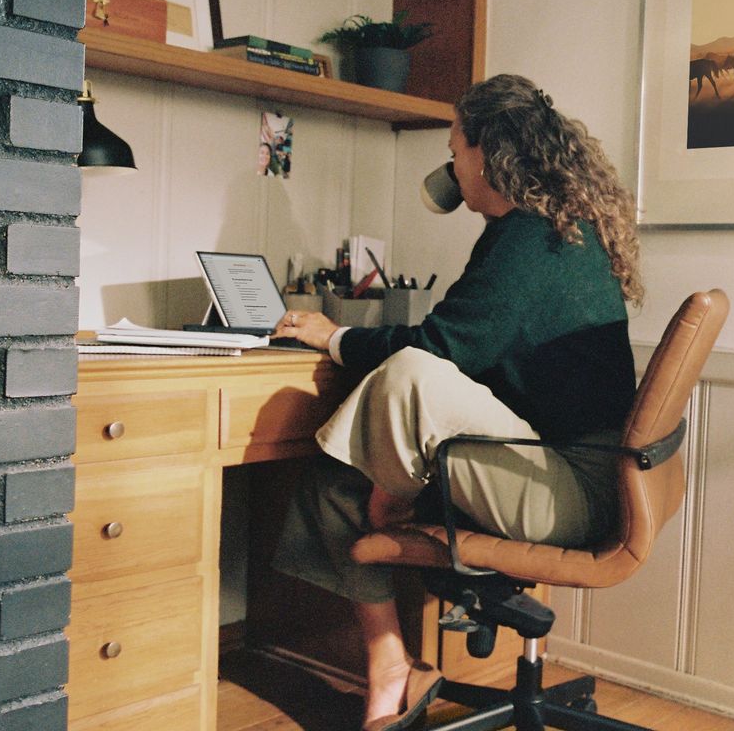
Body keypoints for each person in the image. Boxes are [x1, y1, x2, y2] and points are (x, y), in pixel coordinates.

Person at [270, 73, 643, 731]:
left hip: (569, 491)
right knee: (331, 482)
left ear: (485, 153)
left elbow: (439, 348)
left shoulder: (530, 239)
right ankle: (391, 664)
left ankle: (389, 523)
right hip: (583, 475)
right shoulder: (555, 229)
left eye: (454, 148)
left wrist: (334, 337)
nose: (451, 165)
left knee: (409, 376)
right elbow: (483, 349)